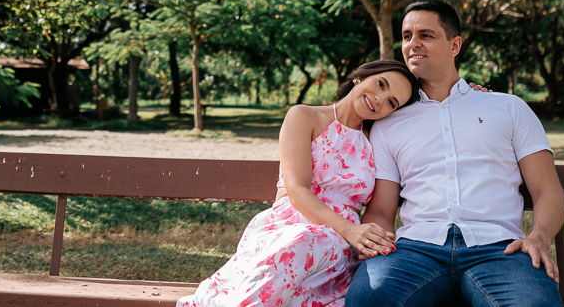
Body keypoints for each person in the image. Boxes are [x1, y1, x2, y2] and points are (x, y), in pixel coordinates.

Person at [345, 0, 564, 307]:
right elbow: (382, 210)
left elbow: (547, 189)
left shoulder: (509, 107)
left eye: (426, 35)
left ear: (455, 44)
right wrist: (374, 244)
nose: (413, 44)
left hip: (499, 250)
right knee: (369, 298)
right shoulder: (389, 122)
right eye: (407, 35)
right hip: (415, 251)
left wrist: (539, 237)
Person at [177, 60, 418, 307]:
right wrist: (349, 230)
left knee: (308, 244)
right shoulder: (304, 116)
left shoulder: (376, 142)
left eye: (391, 102)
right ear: (361, 76)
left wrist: (364, 240)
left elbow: (378, 211)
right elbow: (297, 190)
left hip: (340, 246)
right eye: (380, 85)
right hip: (291, 226)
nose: (379, 99)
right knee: (301, 241)